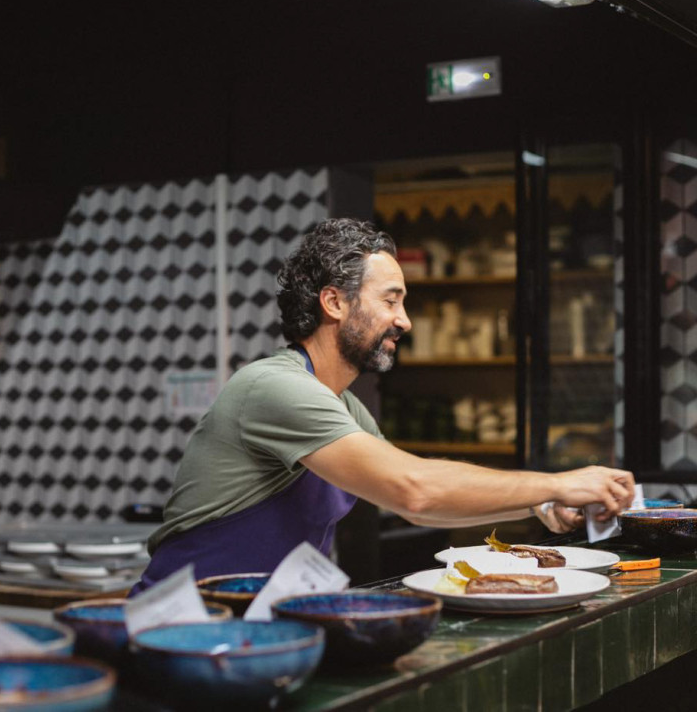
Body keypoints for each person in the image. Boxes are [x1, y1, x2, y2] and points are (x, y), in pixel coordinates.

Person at [133, 218, 634, 592]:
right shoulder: (272, 387)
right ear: (334, 303)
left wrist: (535, 503)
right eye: (391, 300)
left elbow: (422, 507)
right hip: (184, 627)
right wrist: (560, 481)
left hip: (259, 625)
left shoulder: (344, 407)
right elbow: (412, 490)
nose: (405, 321)